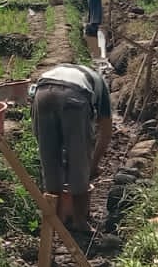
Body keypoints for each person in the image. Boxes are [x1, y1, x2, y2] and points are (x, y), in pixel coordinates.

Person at [29, 63, 114, 233]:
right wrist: (92, 165)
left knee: (49, 161)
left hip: (42, 93)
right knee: (80, 160)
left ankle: (55, 221)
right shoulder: (100, 84)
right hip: (74, 96)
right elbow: (105, 132)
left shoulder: (60, 69)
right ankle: (79, 222)